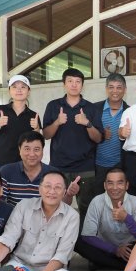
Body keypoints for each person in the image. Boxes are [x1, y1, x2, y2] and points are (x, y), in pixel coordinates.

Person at [43, 68, 103, 225]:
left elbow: (98, 138)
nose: (74, 85)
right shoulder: (53, 106)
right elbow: (46, 135)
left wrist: (87, 123)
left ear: (82, 85)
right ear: (64, 84)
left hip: (86, 168)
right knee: (55, 208)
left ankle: (86, 245)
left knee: (87, 210)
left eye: (78, 82)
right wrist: (57, 122)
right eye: (70, 81)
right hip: (58, 167)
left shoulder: (91, 108)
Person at [78, 168, 136, 271]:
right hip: (106, 248)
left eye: (120, 183)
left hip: (131, 248)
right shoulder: (97, 201)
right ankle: (126, 265)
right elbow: (88, 236)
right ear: (105, 185)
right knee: (78, 242)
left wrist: (127, 218)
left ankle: (104, 263)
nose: (115, 188)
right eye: (110, 183)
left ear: (126, 185)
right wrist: (115, 250)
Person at [0, 131, 79, 206]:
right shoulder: (6, 172)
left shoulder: (54, 173)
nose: (32, 154)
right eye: (27, 149)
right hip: (15, 219)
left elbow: (63, 204)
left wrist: (69, 194)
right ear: (19, 150)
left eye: (36, 149)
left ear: (42, 151)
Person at [0, 75, 41, 169]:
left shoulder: (34, 115)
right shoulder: (0, 109)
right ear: (9, 91)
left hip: (23, 164)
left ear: (29, 91)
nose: (19, 90)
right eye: (14, 87)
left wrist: (37, 129)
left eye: (23, 87)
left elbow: (38, 143)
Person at [93, 73, 130, 194]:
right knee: (97, 200)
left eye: (119, 87)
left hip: (120, 165)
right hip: (97, 165)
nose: (115, 91)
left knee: (118, 199)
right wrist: (101, 135)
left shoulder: (130, 112)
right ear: (106, 89)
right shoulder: (94, 109)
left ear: (124, 90)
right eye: (111, 87)